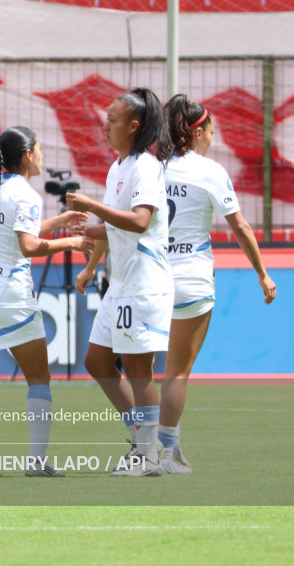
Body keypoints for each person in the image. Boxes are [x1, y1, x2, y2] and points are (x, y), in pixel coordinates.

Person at [0, 126, 93, 478]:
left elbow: (16, 230)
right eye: (40, 149)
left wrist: (59, 222)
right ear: (28, 155)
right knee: (39, 378)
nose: (43, 155)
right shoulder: (26, 193)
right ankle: (36, 462)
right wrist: (72, 243)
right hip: (9, 295)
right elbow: (28, 246)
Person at [155, 94, 277, 474]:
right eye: (211, 130)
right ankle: (165, 453)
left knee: (144, 370)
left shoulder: (151, 168)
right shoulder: (209, 171)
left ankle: (146, 448)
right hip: (191, 278)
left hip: (151, 278)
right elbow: (239, 226)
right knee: (176, 372)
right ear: (196, 132)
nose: (213, 137)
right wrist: (262, 272)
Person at [69, 87, 174, 477]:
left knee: (137, 367)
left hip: (144, 283)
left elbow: (141, 220)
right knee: (96, 361)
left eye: (112, 120)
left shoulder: (145, 167)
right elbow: (116, 226)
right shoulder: (118, 166)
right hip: (121, 283)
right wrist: (89, 254)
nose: (105, 125)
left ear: (133, 126)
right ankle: (140, 438)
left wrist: (94, 208)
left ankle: (149, 457)